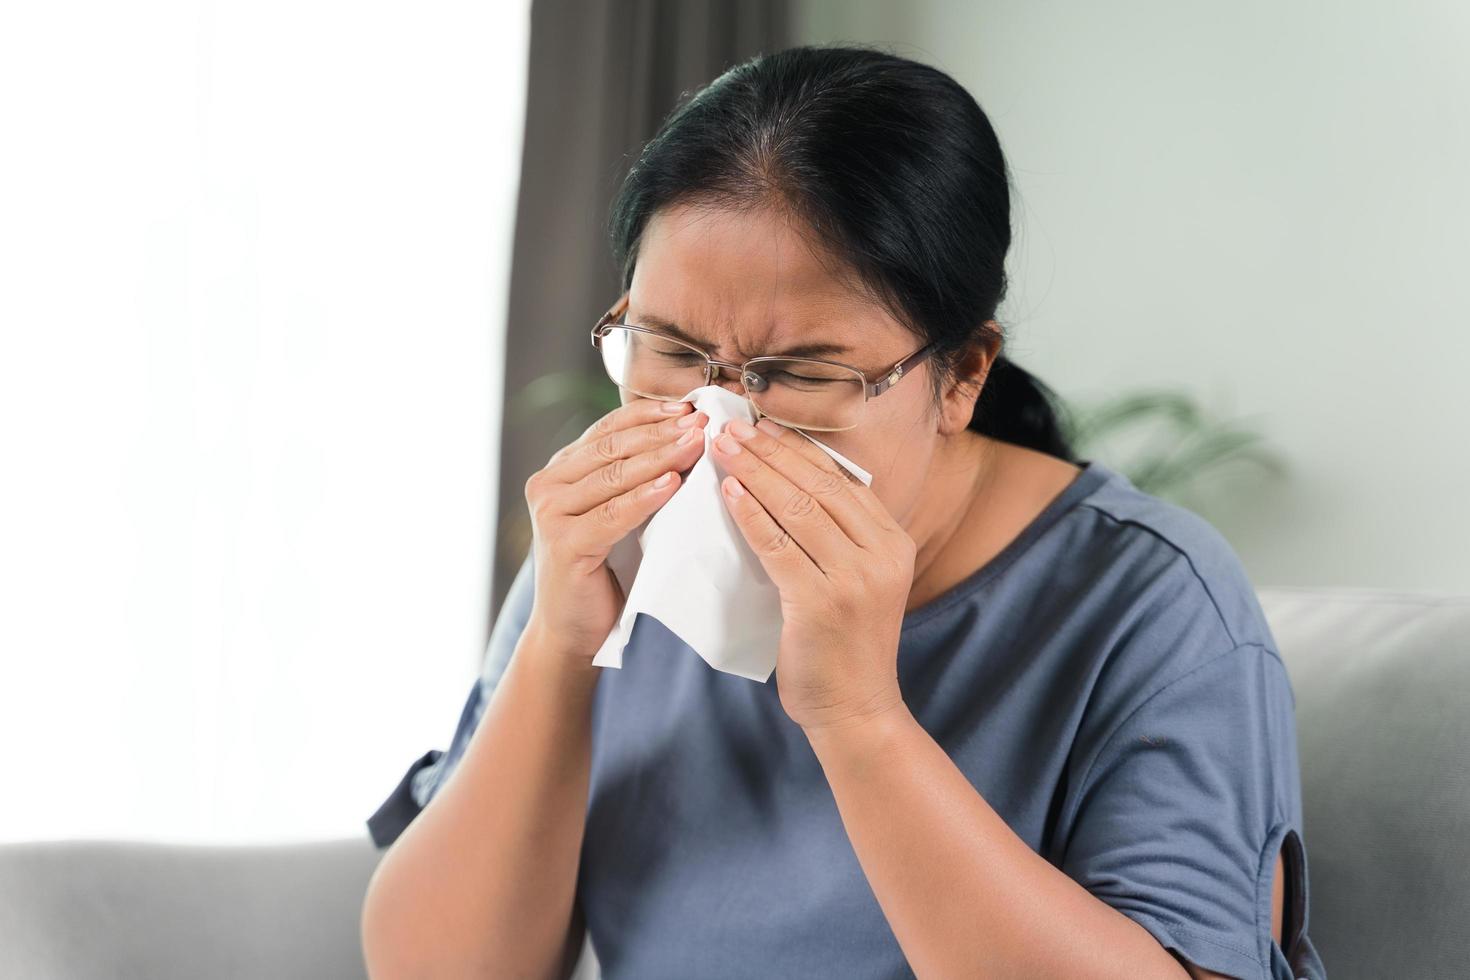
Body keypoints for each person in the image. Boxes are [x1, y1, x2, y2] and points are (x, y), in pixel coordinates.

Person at [360, 44, 1326, 980]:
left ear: (963, 376)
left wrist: (859, 716)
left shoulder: (1150, 604)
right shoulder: (607, 551)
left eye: (802, 374)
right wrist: (556, 654)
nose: (715, 419)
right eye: (669, 351)